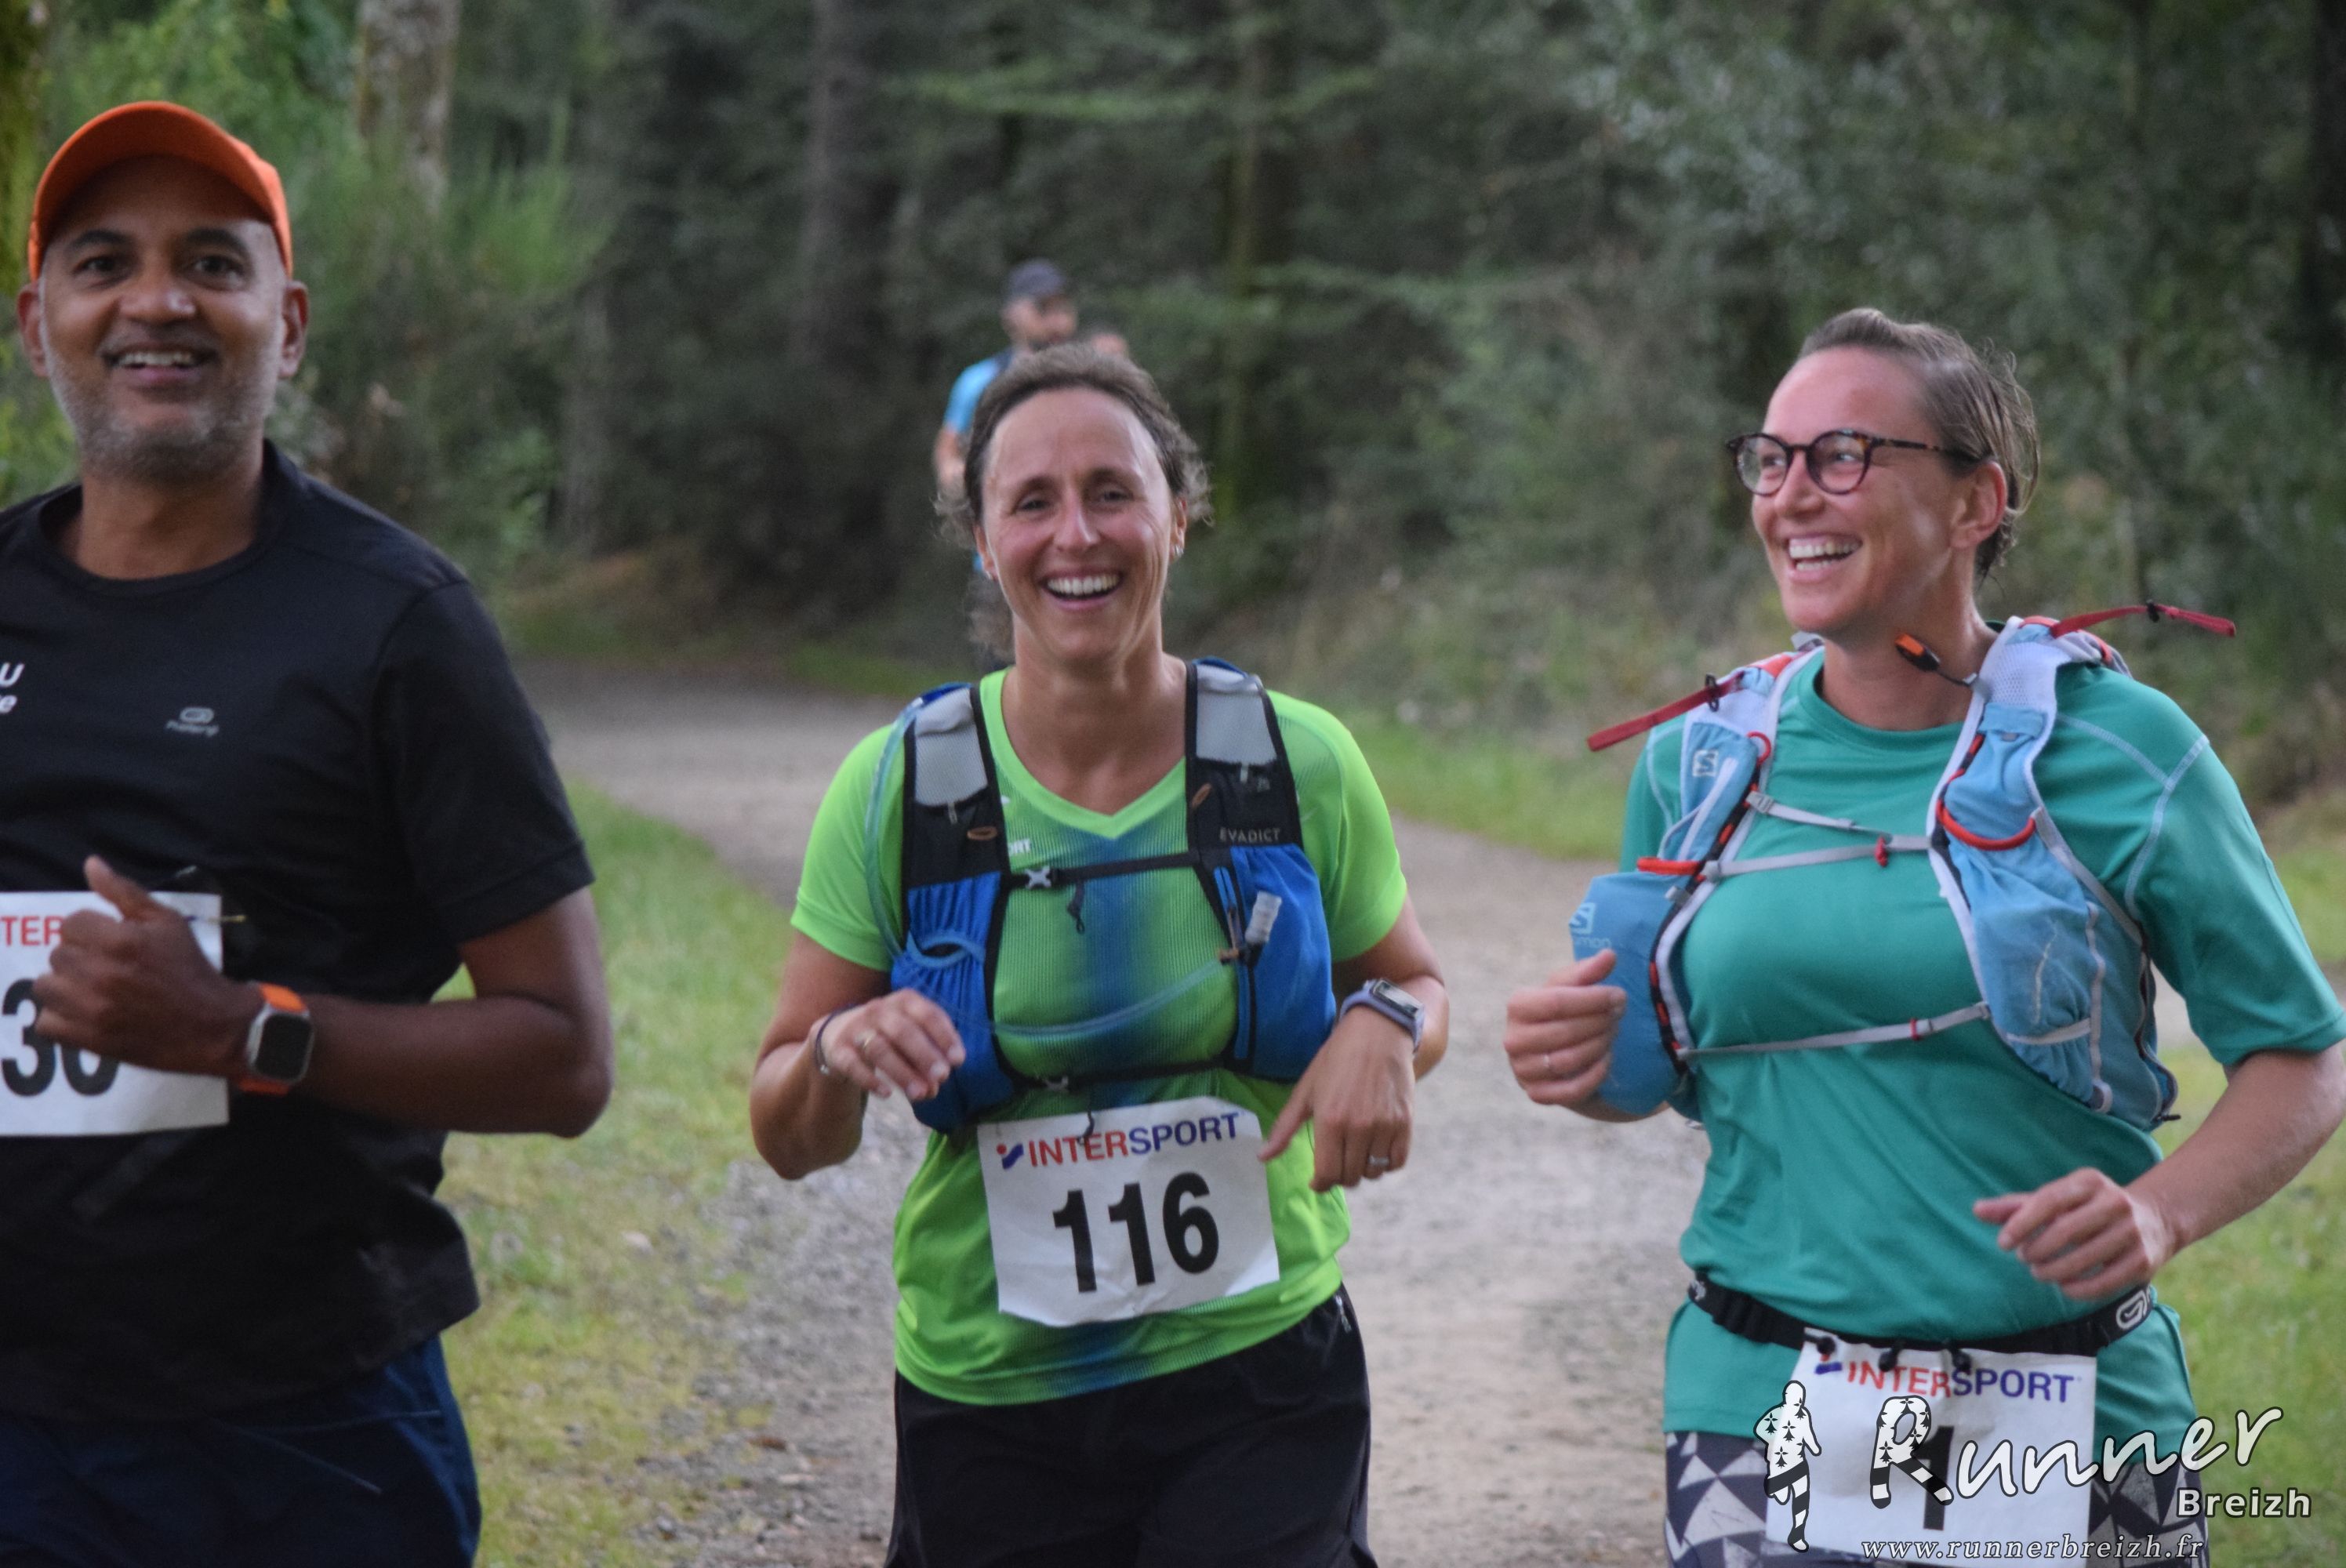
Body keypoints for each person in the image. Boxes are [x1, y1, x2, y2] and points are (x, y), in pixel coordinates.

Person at [1505, 308, 2346, 1566]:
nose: (1792, 494)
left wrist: (2159, 1215)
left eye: (1843, 455)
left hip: (2080, 1414)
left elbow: (2302, 1056)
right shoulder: (1699, 762)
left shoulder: (2124, 751)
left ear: (1974, 503)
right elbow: (1655, 1078)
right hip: (1761, 1406)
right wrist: (1576, 1064)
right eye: (1771, 459)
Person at [2, 102, 612, 1566]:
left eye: (214, 264)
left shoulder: (399, 625)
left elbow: (564, 1056)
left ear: (288, 326)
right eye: (105, 262)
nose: (158, 301)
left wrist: (242, 1030)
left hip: (300, 1426)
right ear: (37, 326)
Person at [753, 343, 1447, 1567]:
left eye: (1112, 492)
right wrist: (833, 1050)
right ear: (983, 541)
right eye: (1032, 502)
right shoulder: (900, 787)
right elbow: (785, 1132)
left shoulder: (1295, 760)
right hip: (993, 1390)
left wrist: (1384, 1025)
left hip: (1261, 1366)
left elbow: (1415, 985)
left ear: (1178, 515)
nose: (1076, 534)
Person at [931, 258, 1080, 496]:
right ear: (1011, 315)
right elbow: (948, 451)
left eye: (1063, 308)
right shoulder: (980, 381)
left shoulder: (1090, 379)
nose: (1057, 321)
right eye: (1042, 308)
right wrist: (963, 482)